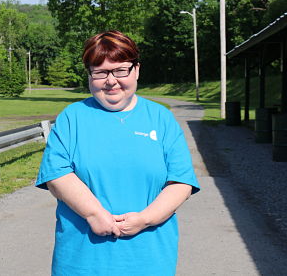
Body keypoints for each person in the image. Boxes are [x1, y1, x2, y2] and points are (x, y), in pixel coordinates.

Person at [36, 30, 200, 275]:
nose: (111, 80)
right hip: (82, 262)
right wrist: (94, 214)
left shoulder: (161, 118)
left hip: (149, 260)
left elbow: (181, 182)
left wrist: (145, 219)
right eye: (100, 72)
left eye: (120, 70)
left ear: (136, 70)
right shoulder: (73, 117)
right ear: (89, 75)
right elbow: (56, 175)